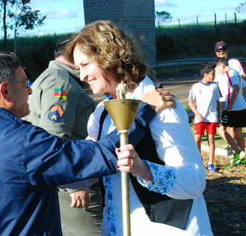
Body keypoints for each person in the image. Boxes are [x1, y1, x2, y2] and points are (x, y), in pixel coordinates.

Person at [0, 52, 173, 235]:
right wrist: (143, 111)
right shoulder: (22, 142)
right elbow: (99, 156)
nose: (30, 91)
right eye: (25, 84)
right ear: (5, 91)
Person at [64, 20, 213, 235]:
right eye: (78, 69)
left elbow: (195, 182)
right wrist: (76, 179)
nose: (82, 76)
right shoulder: (101, 114)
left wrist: (144, 170)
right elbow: (92, 162)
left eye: (85, 65)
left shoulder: (163, 106)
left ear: (109, 56)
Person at [24, 34, 104, 235]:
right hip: (73, 191)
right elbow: (53, 139)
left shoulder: (52, 77)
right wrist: (73, 184)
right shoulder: (62, 83)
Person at [214, 41, 246, 156]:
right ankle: (240, 153)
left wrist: (231, 103)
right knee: (235, 129)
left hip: (230, 103)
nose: (221, 55)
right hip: (233, 103)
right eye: (219, 53)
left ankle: (237, 150)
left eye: (223, 52)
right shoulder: (231, 71)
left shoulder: (231, 70)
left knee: (222, 128)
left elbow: (237, 87)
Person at [188, 62, 221, 171]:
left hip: (212, 117)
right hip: (200, 118)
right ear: (205, 74)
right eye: (212, 73)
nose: (214, 75)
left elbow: (218, 102)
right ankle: (199, 159)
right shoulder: (196, 87)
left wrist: (219, 117)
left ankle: (211, 163)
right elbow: (190, 102)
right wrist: (197, 114)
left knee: (211, 139)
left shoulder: (215, 86)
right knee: (197, 139)